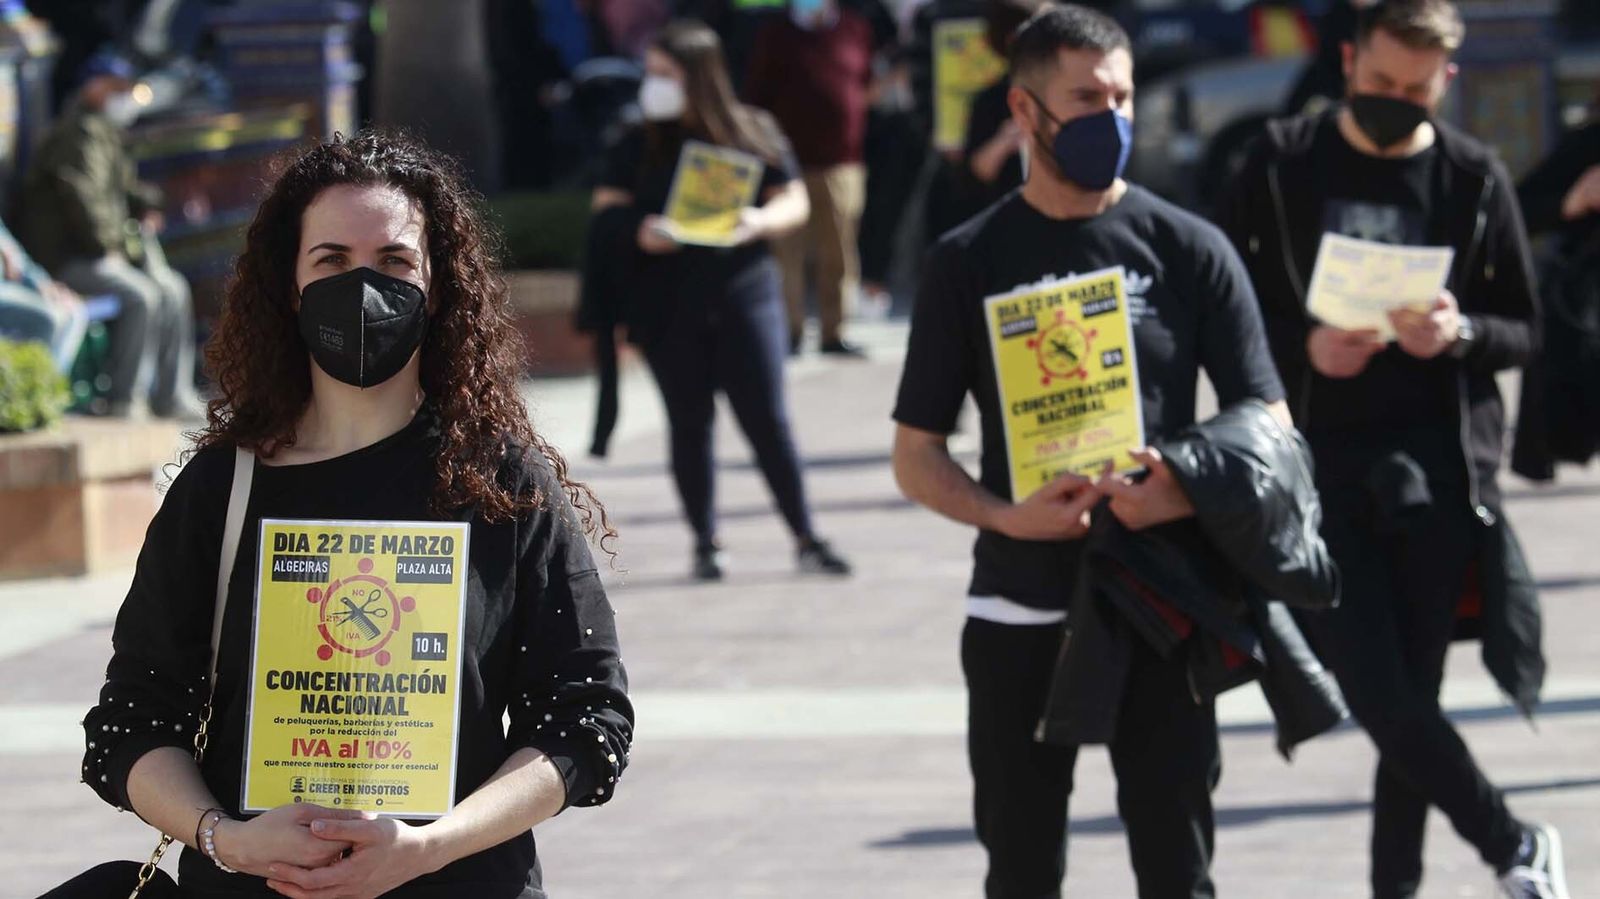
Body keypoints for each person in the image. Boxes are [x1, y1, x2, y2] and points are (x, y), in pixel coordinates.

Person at [78, 130, 634, 898]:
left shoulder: (499, 484)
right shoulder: (224, 486)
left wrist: (432, 845)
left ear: (437, 285)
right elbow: (131, 721)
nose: (364, 287)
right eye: (332, 261)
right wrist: (228, 838)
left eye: (395, 261)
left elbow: (587, 718)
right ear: (292, 284)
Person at [891, 7, 1293, 896]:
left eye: (1121, 96)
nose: (1108, 117)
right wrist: (1006, 516)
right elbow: (916, 452)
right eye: (1085, 98)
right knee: (1023, 866)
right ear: (1024, 111)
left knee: (1177, 867)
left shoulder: (1191, 249)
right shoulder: (968, 259)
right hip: (1020, 604)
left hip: (1165, 596)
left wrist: (1182, 490)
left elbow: (1268, 417)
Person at [1215, 2, 1567, 897]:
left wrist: (1457, 332)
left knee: (1410, 696)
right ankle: (1513, 841)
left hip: (1437, 474)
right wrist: (1304, 348)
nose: (1397, 103)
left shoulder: (1472, 177)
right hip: (1314, 465)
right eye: (1380, 85)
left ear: (1447, 79)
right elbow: (1225, 300)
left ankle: (1398, 888)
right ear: (1347, 62)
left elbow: (1522, 328)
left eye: (1418, 89)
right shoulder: (1281, 161)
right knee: (1374, 687)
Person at [591, 20, 852, 581]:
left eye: (665, 73)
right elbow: (606, 210)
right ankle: (705, 541)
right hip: (667, 303)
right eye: (651, 73)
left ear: (699, 77)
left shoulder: (750, 130)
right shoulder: (635, 138)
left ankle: (806, 535)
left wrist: (757, 221)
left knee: (768, 420)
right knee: (689, 424)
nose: (652, 84)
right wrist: (640, 229)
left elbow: (793, 200)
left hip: (742, 293)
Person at [17, 50, 203, 419]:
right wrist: (112, 248)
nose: (125, 97)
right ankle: (125, 398)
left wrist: (152, 203)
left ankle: (171, 395)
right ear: (95, 87)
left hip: (101, 250)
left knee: (174, 289)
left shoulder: (105, 133)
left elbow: (121, 188)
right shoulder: (77, 135)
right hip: (69, 258)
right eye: (117, 87)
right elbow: (83, 203)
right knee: (141, 296)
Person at [747, 0, 875, 356]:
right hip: (787, 166)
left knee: (839, 251)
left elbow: (865, 84)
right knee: (787, 254)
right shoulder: (773, 33)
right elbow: (757, 97)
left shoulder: (855, 28)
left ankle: (835, 332)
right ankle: (789, 331)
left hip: (842, 162)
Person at [0, 215, 87, 371]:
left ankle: (51, 386)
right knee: (47, 318)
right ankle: (36, 386)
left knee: (74, 311)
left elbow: (19, 259)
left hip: (11, 288)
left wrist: (44, 284)